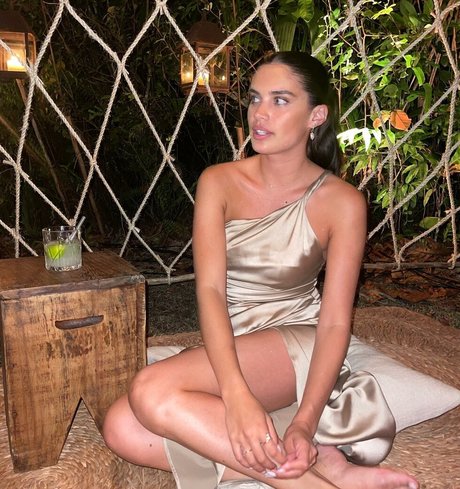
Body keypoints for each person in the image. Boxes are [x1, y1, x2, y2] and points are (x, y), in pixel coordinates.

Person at [103, 51, 419, 489]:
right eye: (255, 98)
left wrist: (305, 422)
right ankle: (320, 469)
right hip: (231, 340)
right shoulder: (218, 181)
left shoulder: (342, 202)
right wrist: (236, 397)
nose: (260, 113)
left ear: (316, 116)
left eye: (280, 100)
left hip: (294, 345)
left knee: (150, 390)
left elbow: (334, 322)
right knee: (121, 426)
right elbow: (210, 291)